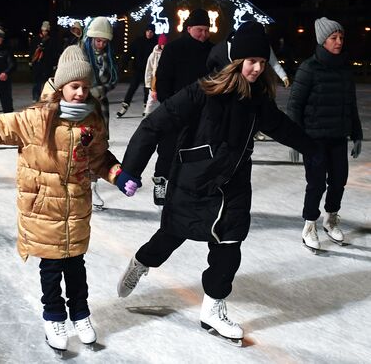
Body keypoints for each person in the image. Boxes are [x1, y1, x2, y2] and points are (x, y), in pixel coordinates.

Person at [0, 45, 133, 352]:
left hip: (77, 210)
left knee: (76, 267)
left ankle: (81, 315)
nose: (81, 93)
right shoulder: (36, 119)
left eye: (85, 87)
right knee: (51, 269)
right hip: (43, 209)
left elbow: (99, 159)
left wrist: (118, 174)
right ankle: (54, 317)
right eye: (74, 87)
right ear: (61, 86)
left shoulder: (93, 121)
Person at [114, 22, 318, 345]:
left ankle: (213, 309)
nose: (257, 68)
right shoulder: (203, 91)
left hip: (235, 183)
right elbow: (154, 125)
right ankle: (141, 262)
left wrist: (313, 149)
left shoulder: (256, 98)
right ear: (236, 60)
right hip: (196, 180)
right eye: (251, 61)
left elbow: (280, 126)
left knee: (230, 244)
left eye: (262, 62)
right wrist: (130, 170)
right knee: (171, 236)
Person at [287, 17, 363, 252]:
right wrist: (294, 140)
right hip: (314, 139)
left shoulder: (344, 69)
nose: (339, 41)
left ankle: (330, 220)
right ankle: (310, 226)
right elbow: (295, 105)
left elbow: (351, 104)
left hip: (338, 136)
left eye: (341, 37)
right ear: (323, 40)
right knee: (317, 183)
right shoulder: (309, 68)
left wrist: (357, 133)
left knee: (338, 181)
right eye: (334, 38)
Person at [152, 8, 213, 205]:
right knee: (168, 148)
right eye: (199, 30)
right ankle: (160, 181)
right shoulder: (174, 48)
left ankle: (189, 188)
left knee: (196, 150)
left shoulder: (212, 50)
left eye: (206, 30)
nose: (203, 34)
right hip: (175, 108)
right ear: (189, 28)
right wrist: (168, 104)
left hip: (201, 111)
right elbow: (162, 79)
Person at [82, 16, 119, 208]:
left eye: (105, 42)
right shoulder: (79, 54)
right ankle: (76, 187)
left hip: (100, 110)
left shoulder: (108, 58)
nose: (101, 44)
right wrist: (86, 92)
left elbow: (112, 80)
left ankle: (92, 188)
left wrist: (100, 91)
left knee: (97, 149)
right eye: (98, 40)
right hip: (80, 109)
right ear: (90, 38)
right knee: (78, 148)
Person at [117, 24, 157, 118]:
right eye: (148, 31)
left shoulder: (155, 43)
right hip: (138, 70)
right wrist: (123, 64)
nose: (149, 33)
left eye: (151, 32)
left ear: (153, 33)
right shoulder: (138, 41)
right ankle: (124, 106)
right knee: (132, 88)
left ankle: (146, 108)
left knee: (147, 90)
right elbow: (129, 52)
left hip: (149, 72)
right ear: (145, 31)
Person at [30, 21, 59, 102]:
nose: (44, 32)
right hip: (37, 63)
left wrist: (54, 63)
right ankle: (35, 97)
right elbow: (32, 50)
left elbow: (54, 52)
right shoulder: (36, 39)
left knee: (48, 82)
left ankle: (47, 96)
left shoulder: (51, 40)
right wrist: (31, 60)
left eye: (46, 31)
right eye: (43, 30)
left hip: (47, 64)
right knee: (36, 82)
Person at [143, 33, 167, 117]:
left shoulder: (168, 53)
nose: (164, 46)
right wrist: (148, 83)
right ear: (160, 44)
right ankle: (146, 114)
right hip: (155, 79)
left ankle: (165, 115)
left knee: (165, 98)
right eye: (163, 44)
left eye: (165, 44)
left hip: (164, 79)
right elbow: (148, 69)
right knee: (151, 99)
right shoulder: (153, 55)